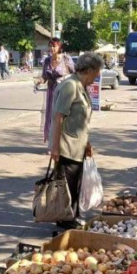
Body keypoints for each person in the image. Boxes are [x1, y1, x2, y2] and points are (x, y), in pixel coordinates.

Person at [49, 52, 103, 230]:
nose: (96, 79)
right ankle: (66, 218)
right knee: (67, 185)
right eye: (95, 75)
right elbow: (58, 117)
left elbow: (81, 120)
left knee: (74, 183)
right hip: (67, 145)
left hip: (77, 145)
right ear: (88, 70)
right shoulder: (70, 86)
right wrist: (55, 148)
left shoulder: (80, 86)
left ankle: (71, 216)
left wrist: (87, 143)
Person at [41, 38, 75, 145]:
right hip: (51, 92)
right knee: (51, 117)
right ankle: (52, 143)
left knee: (61, 117)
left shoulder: (66, 59)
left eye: (54, 46)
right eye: (50, 46)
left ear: (59, 47)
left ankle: (63, 143)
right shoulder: (47, 60)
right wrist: (39, 81)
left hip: (63, 92)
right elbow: (44, 77)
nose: (51, 48)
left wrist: (67, 79)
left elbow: (76, 74)